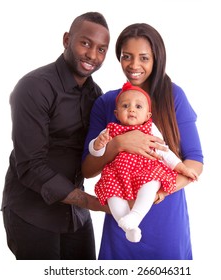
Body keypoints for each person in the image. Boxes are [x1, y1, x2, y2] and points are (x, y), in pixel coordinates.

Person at [82, 23, 204, 259]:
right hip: (121, 216)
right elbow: (87, 170)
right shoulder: (108, 103)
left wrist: (161, 190)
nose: (134, 65)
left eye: (143, 58)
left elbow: (195, 161)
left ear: (156, 59)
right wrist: (119, 145)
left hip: (165, 220)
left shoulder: (173, 97)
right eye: (126, 57)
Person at [1, 12, 110, 260]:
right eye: (85, 43)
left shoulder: (97, 95)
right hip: (31, 212)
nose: (93, 55)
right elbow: (30, 166)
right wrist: (96, 204)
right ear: (66, 40)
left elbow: (97, 152)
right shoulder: (34, 87)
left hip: (76, 217)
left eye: (101, 49)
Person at [89, 81, 198, 243]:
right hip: (118, 174)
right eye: (125, 106)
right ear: (117, 113)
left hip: (145, 169)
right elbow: (96, 152)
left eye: (138, 107)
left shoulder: (150, 129)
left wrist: (182, 168)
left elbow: (164, 151)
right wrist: (97, 144)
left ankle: (136, 215)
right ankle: (128, 226)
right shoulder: (110, 130)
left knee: (152, 182)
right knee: (113, 196)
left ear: (148, 115)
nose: (131, 109)